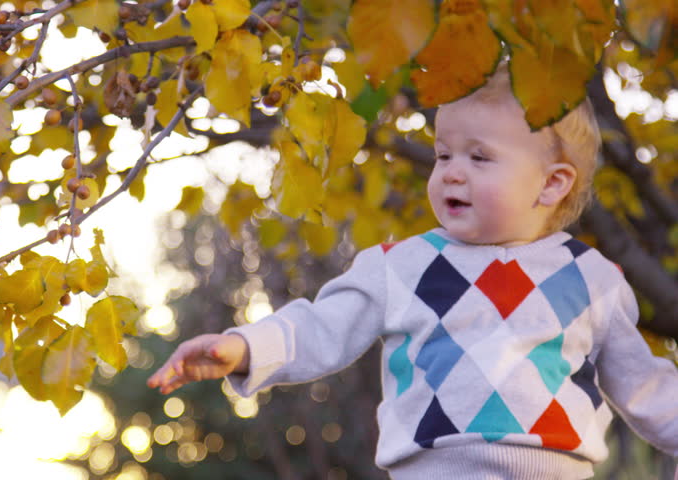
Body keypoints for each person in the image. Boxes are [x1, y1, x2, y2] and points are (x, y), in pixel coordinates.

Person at [147, 64, 678, 479]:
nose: (451, 172)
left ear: (551, 184)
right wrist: (245, 347)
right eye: (444, 154)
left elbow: (646, 387)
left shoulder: (591, 278)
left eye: (480, 158)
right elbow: (319, 326)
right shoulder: (399, 265)